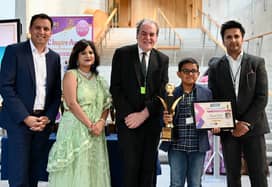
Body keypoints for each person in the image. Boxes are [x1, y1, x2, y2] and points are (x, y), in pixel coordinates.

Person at [0, 13, 61, 187]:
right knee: (18, 174)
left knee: (35, 172)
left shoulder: (54, 58)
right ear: (30, 30)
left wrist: (48, 117)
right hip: (19, 122)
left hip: (42, 123)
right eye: (38, 28)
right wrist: (26, 118)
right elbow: (5, 86)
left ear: (50, 32)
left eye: (46, 28)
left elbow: (56, 93)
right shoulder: (15, 51)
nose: (42, 32)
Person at [208, 20, 269, 187]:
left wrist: (246, 123)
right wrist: (231, 122)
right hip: (229, 129)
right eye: (229, 37)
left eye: (236, 36)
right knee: (232, 175)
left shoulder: (257, 63)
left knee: (258, 174)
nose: (233, 40)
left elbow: (261, 97)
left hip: (254, 127)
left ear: (243, 38)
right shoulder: (215, 66)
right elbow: (214, 98)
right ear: (223, 40)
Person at [110, 19, 169, 187]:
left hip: (151, 122)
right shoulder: (122, 54)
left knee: (148, 169)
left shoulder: (162, 59)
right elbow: (116, 88)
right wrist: (131, 116)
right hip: (128, 122)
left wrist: (144, 114)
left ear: (156, 37)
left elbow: (162, 92)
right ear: (137, 35)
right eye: (144, 33)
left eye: (152, 34)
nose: (147, 37)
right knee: (130, 167)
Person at [47, 39, 112, 187]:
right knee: (75, 170)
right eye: (83, 53)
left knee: (92, 170)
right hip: (76, 128)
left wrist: (101, 122)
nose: (88, 55)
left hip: (96, 131)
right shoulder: (71, 74)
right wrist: (90, 125)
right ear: (76, 57)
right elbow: (71, 103)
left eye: (91, 52)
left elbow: (106, 104)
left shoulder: (99, 79)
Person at [160, 58, 212, 187]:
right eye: (186, 71)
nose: (190, 74)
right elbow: (162, 119)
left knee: (195, 183)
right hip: (176, 146)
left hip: (197, 147)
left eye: (193, 71)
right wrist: (164, 120)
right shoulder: (170, 94)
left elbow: (211, 116)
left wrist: (215, 126)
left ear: (198, 74)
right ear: (179, 74)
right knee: (176, 183)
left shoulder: (206, 93)